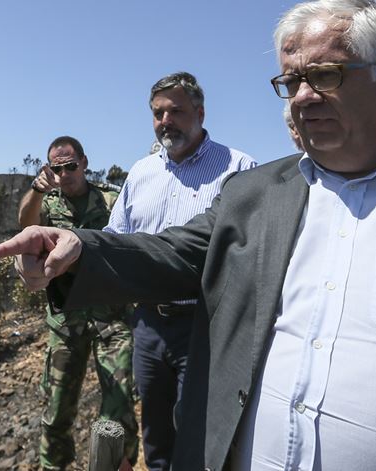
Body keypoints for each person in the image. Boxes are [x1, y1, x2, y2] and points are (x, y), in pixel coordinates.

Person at [0, 0, 376, 469]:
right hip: (152, 332)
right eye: (290, 82)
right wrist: (78, 248)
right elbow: (174, 251)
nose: (303, 97)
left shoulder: (241, 169)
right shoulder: (257, 194)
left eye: (325, 75)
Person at [104, 72, 255, 470]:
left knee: (199, 434)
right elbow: (116, 237)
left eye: (176, 110)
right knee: (155, 435)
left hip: (205, 326)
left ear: (200, 113)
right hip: (148, 326)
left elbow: (248, 251)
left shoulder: (238, 167)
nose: (165, 120)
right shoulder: (140, 173)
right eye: (158, 113)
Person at [18, 135, 138, 470]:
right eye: (58, 168)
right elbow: (25, 224)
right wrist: (38, 190)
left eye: (71, 166)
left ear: (84, 163)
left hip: (111, 319)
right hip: (66, 321)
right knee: (57, 409)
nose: (65, 173)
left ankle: (121, 464)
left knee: (118, 407)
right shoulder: (47, 202)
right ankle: (54, 465)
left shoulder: (111, 199)